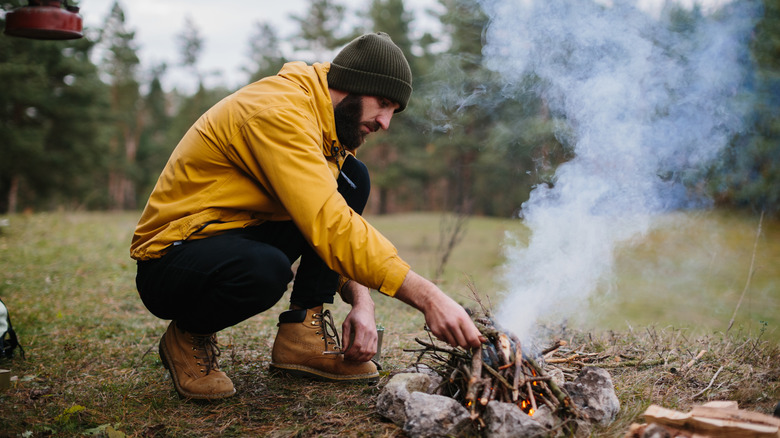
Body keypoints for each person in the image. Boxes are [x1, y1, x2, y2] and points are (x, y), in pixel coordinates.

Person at [130, 32, 484, 400]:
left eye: (393, 111)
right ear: (352, 85)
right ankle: (188, 333)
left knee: (352, 178)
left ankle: (301, 335)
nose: (385, 122)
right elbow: (329, 223)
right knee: (263, 270)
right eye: (383, 104)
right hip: (172, 258)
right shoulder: (279, 113)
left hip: (236, 231)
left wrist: (362, 301)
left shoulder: (323, 125)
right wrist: (428, 297)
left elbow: (330, 218)